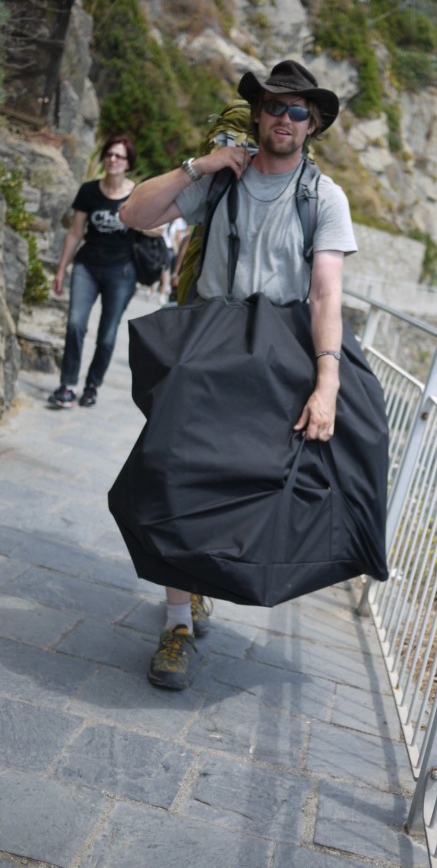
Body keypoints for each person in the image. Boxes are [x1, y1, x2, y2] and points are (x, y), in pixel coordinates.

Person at [120, 59, 356, 690]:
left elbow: (326, 294)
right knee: (169, 471)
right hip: (210, 343)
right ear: (257, 113)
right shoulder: (223, 178)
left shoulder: (322, 197)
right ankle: (177, 622)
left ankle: (204, 583)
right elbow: (135, 216)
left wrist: (327, 383)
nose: (285, 117)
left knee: (246, 482)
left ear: (312, 124)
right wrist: (199, 166)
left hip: (279, 356)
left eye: (298, 110)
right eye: (276, 106)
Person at [48, 135, 163, 409]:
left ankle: (92, 386)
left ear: (128, 163)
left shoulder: (138, 192)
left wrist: (136, 219)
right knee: (75, 324)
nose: (113, 159)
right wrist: (61, 269)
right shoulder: (89, 191)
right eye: (109, 154)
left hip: (121, 271)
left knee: (107, 333)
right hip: (87, 265)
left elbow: (158, 227)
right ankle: (67, 385)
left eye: (119, 156)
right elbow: (75, 233)